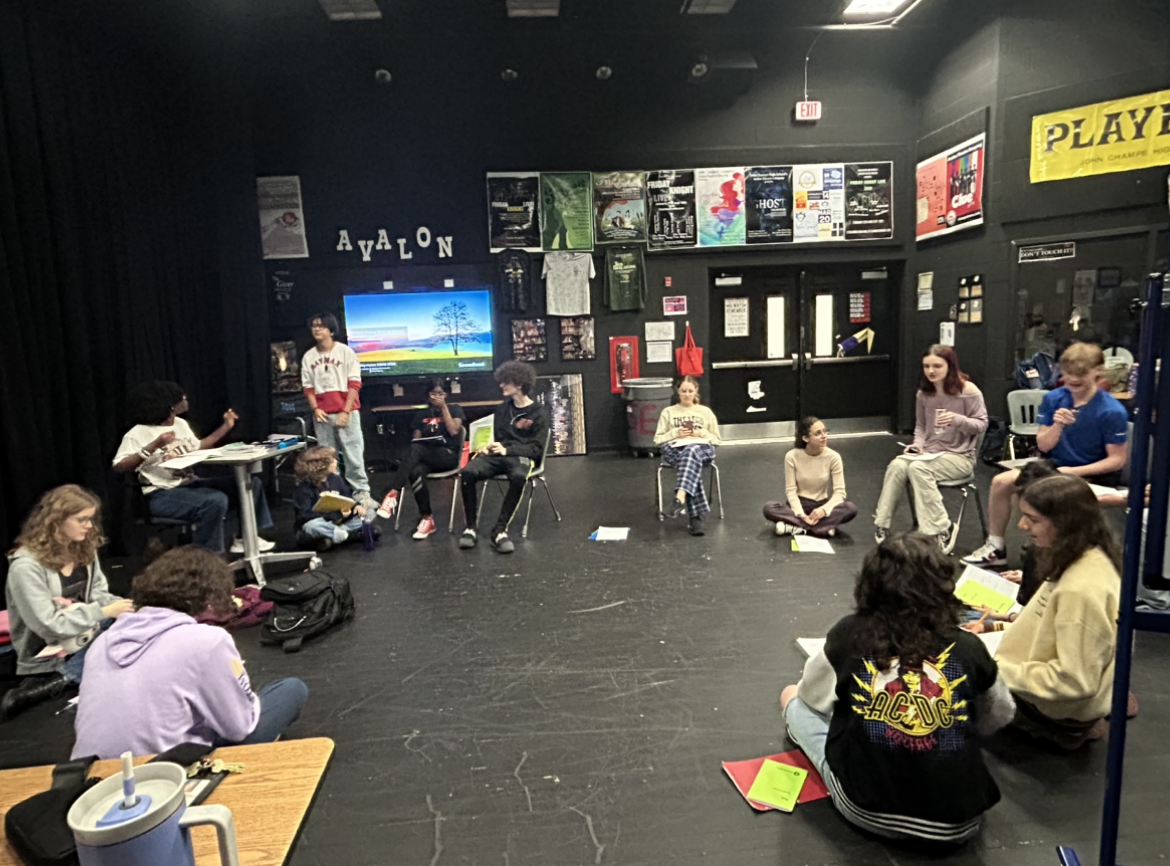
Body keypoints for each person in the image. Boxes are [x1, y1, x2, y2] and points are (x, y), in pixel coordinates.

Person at [780, 534, 1014, 844]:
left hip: (867, 810)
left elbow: (812, 697)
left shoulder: (850, 633)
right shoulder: (969, 647)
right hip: (959, 823)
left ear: (870, 585)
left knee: (793, 700)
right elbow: (999, 715)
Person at [72, 547, 309, 760]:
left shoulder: (102, 642)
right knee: (291, 690)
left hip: (88, 773)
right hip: (164, 771)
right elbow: (239, 727)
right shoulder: (208, 640)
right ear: (208, 598)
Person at [964, 476, 1121, 749]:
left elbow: (1074, 682)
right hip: (1031, 669)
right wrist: (996, 628)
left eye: (1032, 519)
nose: (1022, 525)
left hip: (1052, 710)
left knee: (945, 675)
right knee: (965, 631)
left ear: (1065, 523)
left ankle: (1061, 731)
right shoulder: (1086, 554)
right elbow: (1045, 626)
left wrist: (992, 670)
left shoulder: (1080, 590)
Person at [964, 343, 1128, 567]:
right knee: (1001, 482)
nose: (1073, 380)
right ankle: (996, 547)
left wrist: (1074, 471)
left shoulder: (1111, 410)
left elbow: (1116, 460)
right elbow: (1043, 444)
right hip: (1054, 467)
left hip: (1091, 474)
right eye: (1068, 374)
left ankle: (1056, 552)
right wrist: (1057, 425)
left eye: (1080, 374)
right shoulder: (1054, 399)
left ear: (1098, 372)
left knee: (1060, 499)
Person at [3, 486, 134, 720]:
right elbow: (47, 625)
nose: (90, 526)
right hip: (49, 652)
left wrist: (125, 607)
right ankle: (56, 681)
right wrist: (103, 611)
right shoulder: (25, 566)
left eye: (91, 519)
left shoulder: (84, 549)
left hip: (84, 633)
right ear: (57, 521)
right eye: (82, 519)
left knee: (135, 624)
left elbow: (98, 593)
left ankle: (70, 676)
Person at [113, 380, 275, 555]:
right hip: (161, 493)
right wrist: (153, 446)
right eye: (179, 397)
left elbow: (198, 446)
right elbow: (120, 466)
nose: (184, 398)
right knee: (214, 500)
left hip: (190, 483)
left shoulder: (180, 424)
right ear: (169, 405)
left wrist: (226, 426)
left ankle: (246, 538)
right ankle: (206, 556)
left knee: (251, 484)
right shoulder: (137, 433)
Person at [874, 346, 988, 553]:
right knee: (897, 465)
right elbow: (921, 427)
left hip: (959, 456)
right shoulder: (924, 394)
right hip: (930, 453)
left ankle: (941, 528)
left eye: (937, 366)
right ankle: (882, 523)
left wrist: (957, 419)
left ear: (949, 366)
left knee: (918, 469)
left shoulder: (969, 391)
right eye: (927, 366)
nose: (931, 371)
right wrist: (917, 446)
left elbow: (981, 425)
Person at [459, 361, 549, 554]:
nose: (501, 385)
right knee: (467, 472)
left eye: (505, 382)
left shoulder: (538, 413)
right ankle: (470, 528)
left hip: (521, 457)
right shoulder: (502, 409)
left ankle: (499, 530)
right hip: (500, 456)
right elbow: (500, 439)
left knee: (518, 477)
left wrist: (508, 450)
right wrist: (489, 448)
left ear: (518, 384)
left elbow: (536, 449)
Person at [302, 312, 373, 508]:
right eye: (314, 326)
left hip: (346, 412)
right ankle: (334, 495)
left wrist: (346, 411)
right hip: (322, 415)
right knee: (326, 459)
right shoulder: (309, 357)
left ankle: (362, 494)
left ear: (331, 330)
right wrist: (315, 408)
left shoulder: (345, 353)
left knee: (354, 455)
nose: (317, 329)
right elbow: (308, 387)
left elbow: (354, 384)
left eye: (321, 326)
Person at [390, 378, 466, 540]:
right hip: (427, 457)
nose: (437, 396)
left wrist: (443, 407)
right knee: (416, 470)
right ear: (428, 396)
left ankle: (393, 491)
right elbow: (416, 442)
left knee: (417, 450)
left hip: (448, 456)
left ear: (446, 395)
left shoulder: (455, 409)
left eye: (441, 393)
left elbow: (454, 431)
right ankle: (427, 518)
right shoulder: (421, 414)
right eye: (433, 393)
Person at [763, 416, 858, 538]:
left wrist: (823, 510)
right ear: (806, 438)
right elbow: (791, 491)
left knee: (850, 508)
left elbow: (840, 493)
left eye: (825, 431)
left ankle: (796, 527)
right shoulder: (792, 456)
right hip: (799, 504)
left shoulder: (834, 457)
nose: (824, 436)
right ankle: (822, 528)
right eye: (818, 433)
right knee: (769, 508)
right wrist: (801, 514)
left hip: (821, 505)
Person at [653, 376, 722, 537]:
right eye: (683, 391)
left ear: (696, 391)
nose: (687, 394)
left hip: (702, 448)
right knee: (691, 461)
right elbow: (658, 439)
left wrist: (701, 433)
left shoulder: (705, 412)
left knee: (691, 452)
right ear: (678, 391)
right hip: (675, 449)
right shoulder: (668, 412)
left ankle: (680, 497)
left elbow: (717, 439)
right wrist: (676, 432)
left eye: (690, 391)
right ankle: (696, 518)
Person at [292, 446, 369, 551]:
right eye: (333, 460)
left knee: (368, 514)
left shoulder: (335, 479)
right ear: (322, 466)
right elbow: (305, 517)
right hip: (319, 522)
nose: (336, 461)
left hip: (339, 522)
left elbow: (348, 496)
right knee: (312, 526)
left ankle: (330, 537)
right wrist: (335, 515)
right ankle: (348, 536)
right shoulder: (304, 488)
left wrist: (356, 506)